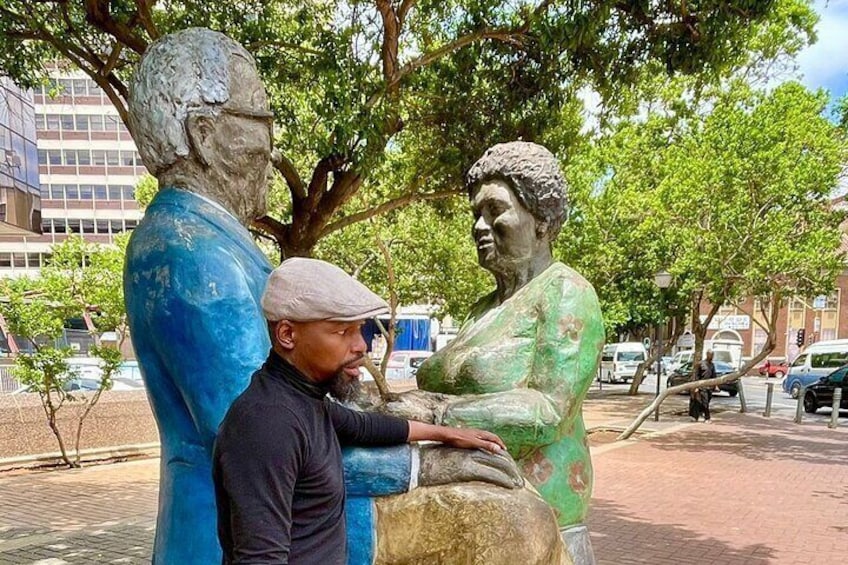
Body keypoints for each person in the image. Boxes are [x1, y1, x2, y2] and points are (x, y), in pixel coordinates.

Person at [213, 258, 523, 564]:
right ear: (288, 335)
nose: (361, 346)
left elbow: (364, 426)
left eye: (359, 330)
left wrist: (447, 434)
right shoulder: (268, 424)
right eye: (342, 332)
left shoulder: (307, 402)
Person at [381, 142, 605, 564]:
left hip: (535, 527)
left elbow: (547, 411)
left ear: (541, 219)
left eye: (496, 210)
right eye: (475, 215)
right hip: (467, 519)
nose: (480, 227)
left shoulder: (566, 292)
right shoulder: (482, 309)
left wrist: (431, 415)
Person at [123, 28, 277, 564]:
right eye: (261, 121)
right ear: (205, 135)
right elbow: (263, 442)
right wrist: (415, 463)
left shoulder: (209, 240)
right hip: (224, 542)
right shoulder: (189, 255)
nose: (271, 146)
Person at [689, 350, 716, 423]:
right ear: (707, 354)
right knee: (704, 402)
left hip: (709, 387)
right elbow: (696, 376)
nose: (712, 356)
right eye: (710, 354)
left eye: (712, 355)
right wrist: (696, 387)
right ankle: (707, 418)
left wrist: (715, 385)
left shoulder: (712, 365)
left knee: (703, 402)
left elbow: (714, 376)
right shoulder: (701, 364)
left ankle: (697, 416)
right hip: (701, 386)